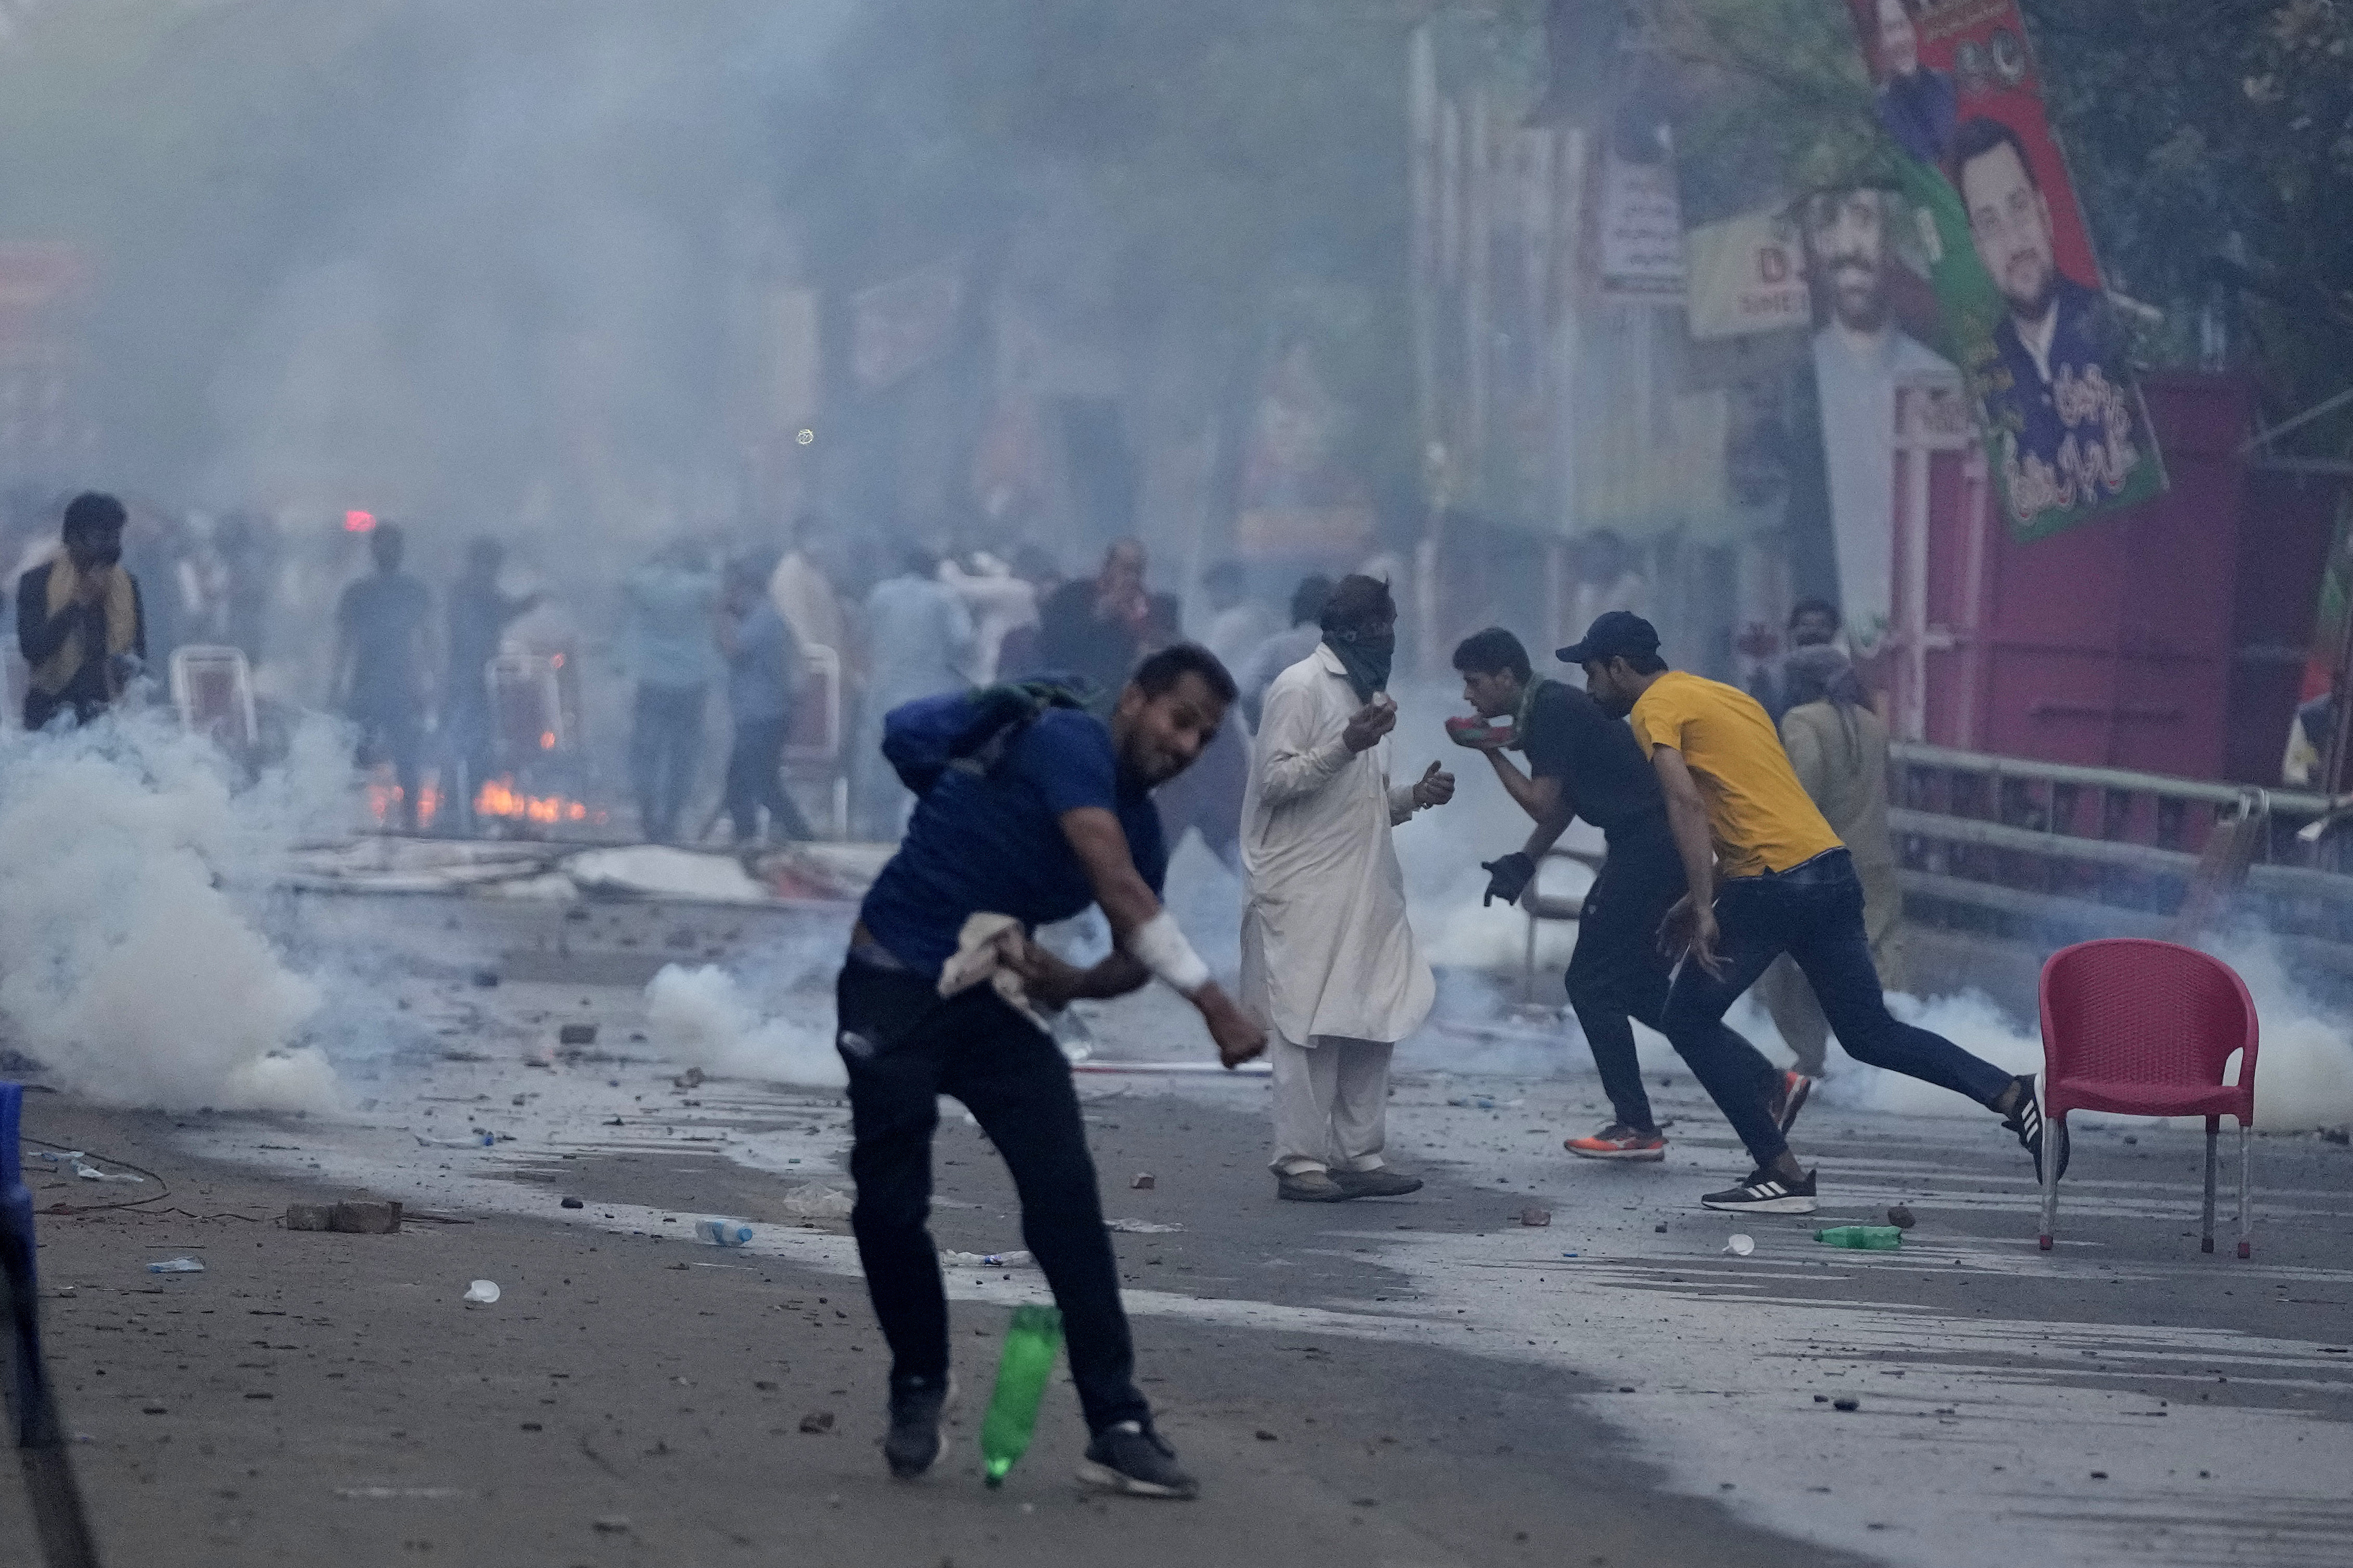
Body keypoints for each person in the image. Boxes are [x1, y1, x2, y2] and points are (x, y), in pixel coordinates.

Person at [839, 643, 1263, 1498]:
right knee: (889, 1201)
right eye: (1178, 721)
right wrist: (1216, 1005)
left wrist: (1067, 980)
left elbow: (1130, 948)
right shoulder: (1067, 738)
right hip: (889, 980)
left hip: (990, 1002)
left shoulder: (1144, 824)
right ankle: (919, 1381)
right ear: (1134, 700)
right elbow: (1112, 881)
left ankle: (1117, 1422)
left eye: (1203, 738)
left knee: (1065, 1197)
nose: (1184, 746)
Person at [1568, 610, 2056, 1213]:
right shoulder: (1727, 699)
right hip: (1827, 870)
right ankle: (2011, 1094)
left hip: (1772, 884)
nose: (1589, 688)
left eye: (1592, 672)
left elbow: (1685, 804)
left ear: (1619, 667)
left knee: (1687, 1019)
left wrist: (1702, 906)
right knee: (1869, 1033)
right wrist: (1698, 897)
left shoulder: (1653, 710)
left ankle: (1780, 1173)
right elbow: (1755, 813)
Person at [1452, 627, 1775, 1162]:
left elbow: (1538, 800)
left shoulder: (1552, 709)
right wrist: (1525, 860)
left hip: (1647, 846)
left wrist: (1486, 751)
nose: (1468, 696)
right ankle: (1764, 1081)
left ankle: (1634, 1124)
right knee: (1638, 987)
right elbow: (1565, 803)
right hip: (1649, 845)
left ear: (1506, 676)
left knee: (1588, 982)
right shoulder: (1542, 714)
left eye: (1473, 682)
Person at [1243, 575, 1454, 1202]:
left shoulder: (1373, 695)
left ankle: (1359, 1154)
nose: (1390, 640)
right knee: (1306, 1023)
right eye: (1383, 628)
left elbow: (1355, 805)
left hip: (1365, 883)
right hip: (1301, 883)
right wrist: (1345, 743)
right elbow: (1276, 784)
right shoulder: (1298, 687)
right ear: (1355, 631)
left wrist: (1414, 796)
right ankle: (1300, 1162)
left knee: (1369, 1014)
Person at [1955, 116, 2145, 527]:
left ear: (2044, 212)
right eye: (1989, 224)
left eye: (2018, 207)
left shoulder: (2118, 329)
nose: (2012, 238)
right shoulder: (1978, 377)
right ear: (1977, 248)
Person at [1798, 185, 1960, 654]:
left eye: (1864, 221)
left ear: (1893, 242)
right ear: (1814, 244)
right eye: (1831, 223)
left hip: (1923, 647)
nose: (1849, 246)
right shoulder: (1799, 384)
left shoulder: (1941, 383)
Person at [1754, 644, 1906, 1095]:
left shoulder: (1800, 720)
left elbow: (1803, 789)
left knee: (1785, 961)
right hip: (1875, 862)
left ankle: (1810, 1056)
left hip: (1821, 865)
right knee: (1873, 956)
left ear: (1803, 683)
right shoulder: (1873, 724)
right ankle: (1895, 1056)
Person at [857, 543, 974, 836]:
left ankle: (877, 830)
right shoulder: (943, 597)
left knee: (882, 758)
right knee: (925, 762)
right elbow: (963, 640)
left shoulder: (879, 595)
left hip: (884, 691)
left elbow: (863, 636)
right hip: (928, 693)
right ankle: (916, 832)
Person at [331, 522, 433, 828]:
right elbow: (344, 643)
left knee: (407, 759)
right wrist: (335, 685)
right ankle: (354, 821)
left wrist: (430, 682)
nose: (389, 552)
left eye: (394, 545)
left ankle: (412, 823)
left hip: (401, 683)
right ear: (375, 551)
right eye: (384, 545)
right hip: (367, 682)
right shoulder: (357, 594)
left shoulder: (413, 591)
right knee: (358, 756)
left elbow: (428, 639)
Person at [18, 491, 146, 730]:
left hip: (111, 713)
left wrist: (127, 669)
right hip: (50, 715)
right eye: (101, 538)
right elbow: (32, 650)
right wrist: (79, 603)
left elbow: (140, 654)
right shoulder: (36, 582)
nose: (110, 548)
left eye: (115, 537)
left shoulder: (128, 584)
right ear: (74, 539)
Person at [622, 540, 720, 843]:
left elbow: (627, 583)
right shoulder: (701, 587)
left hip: (652, 680)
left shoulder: (646, 584)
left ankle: (648, 817)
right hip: (691, 682)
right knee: (683, 754)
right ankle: (672, 817)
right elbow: (719, 592)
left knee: (647, 752)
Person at [444, 538, 544, 824]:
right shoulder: (471, 593)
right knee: (463, 745)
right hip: (467, 681)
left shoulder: (477, 592)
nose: (492, 571)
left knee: (477, 748)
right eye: (489, 564)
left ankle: (465, 809)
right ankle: (455, 810)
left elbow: (506, 609)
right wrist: (532, 602)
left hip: (477, 681)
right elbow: (503, 611)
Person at [718, 560, 814, 845]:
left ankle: (794, 836)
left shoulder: (764, 618)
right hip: (761, 714)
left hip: (763, 715)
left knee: (753, 784)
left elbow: (733, 649)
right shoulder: (764, 617)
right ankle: (758, 837)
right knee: (756, 783)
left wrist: (719, 615)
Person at [1035, 538, 1149, 708]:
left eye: (1138, 572)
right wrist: (1099, 616)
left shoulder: (1143, 613)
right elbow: (1052, 644)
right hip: (1062, 694)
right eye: (1126, 570)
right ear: (1108, 567)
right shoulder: (1072, 595)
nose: (1132, 579)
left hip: (1112, 705)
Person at [1232, 574, 1331, 731]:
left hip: (1288, 735)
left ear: (1297, 607)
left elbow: (1246, 690)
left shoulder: (1277, 647)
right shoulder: (1347, 651)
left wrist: (1259, 728)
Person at [1870, 0, 1955, 166]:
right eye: (1890, 30)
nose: (1900, 40)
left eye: (1902, 25)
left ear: (1913, 30)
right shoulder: (1881, 111)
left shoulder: (1946, 84)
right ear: (1879, 45)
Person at [767, 513, 849, 664]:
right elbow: (796, 624)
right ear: (801, 537)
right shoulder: (790, 572)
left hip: (828, 662)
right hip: (811, 667)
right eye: (816, 535)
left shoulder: (815, 569)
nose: (823, 542)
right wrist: (814, 663)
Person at [1748, 596, 1844, 722]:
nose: (1813, 632)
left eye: (1822, 625)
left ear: (1834, 630)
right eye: (1806, 625)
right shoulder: (1770, 678)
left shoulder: (1850, 674)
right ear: (1792, 631)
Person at [1197, 559, 1278, 676]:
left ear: (1227, 589)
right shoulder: (1260, 612)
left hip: (1232, 687)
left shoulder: (1231, 621)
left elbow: (1204, 662)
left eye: (1213, 591)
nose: (1211, 599)